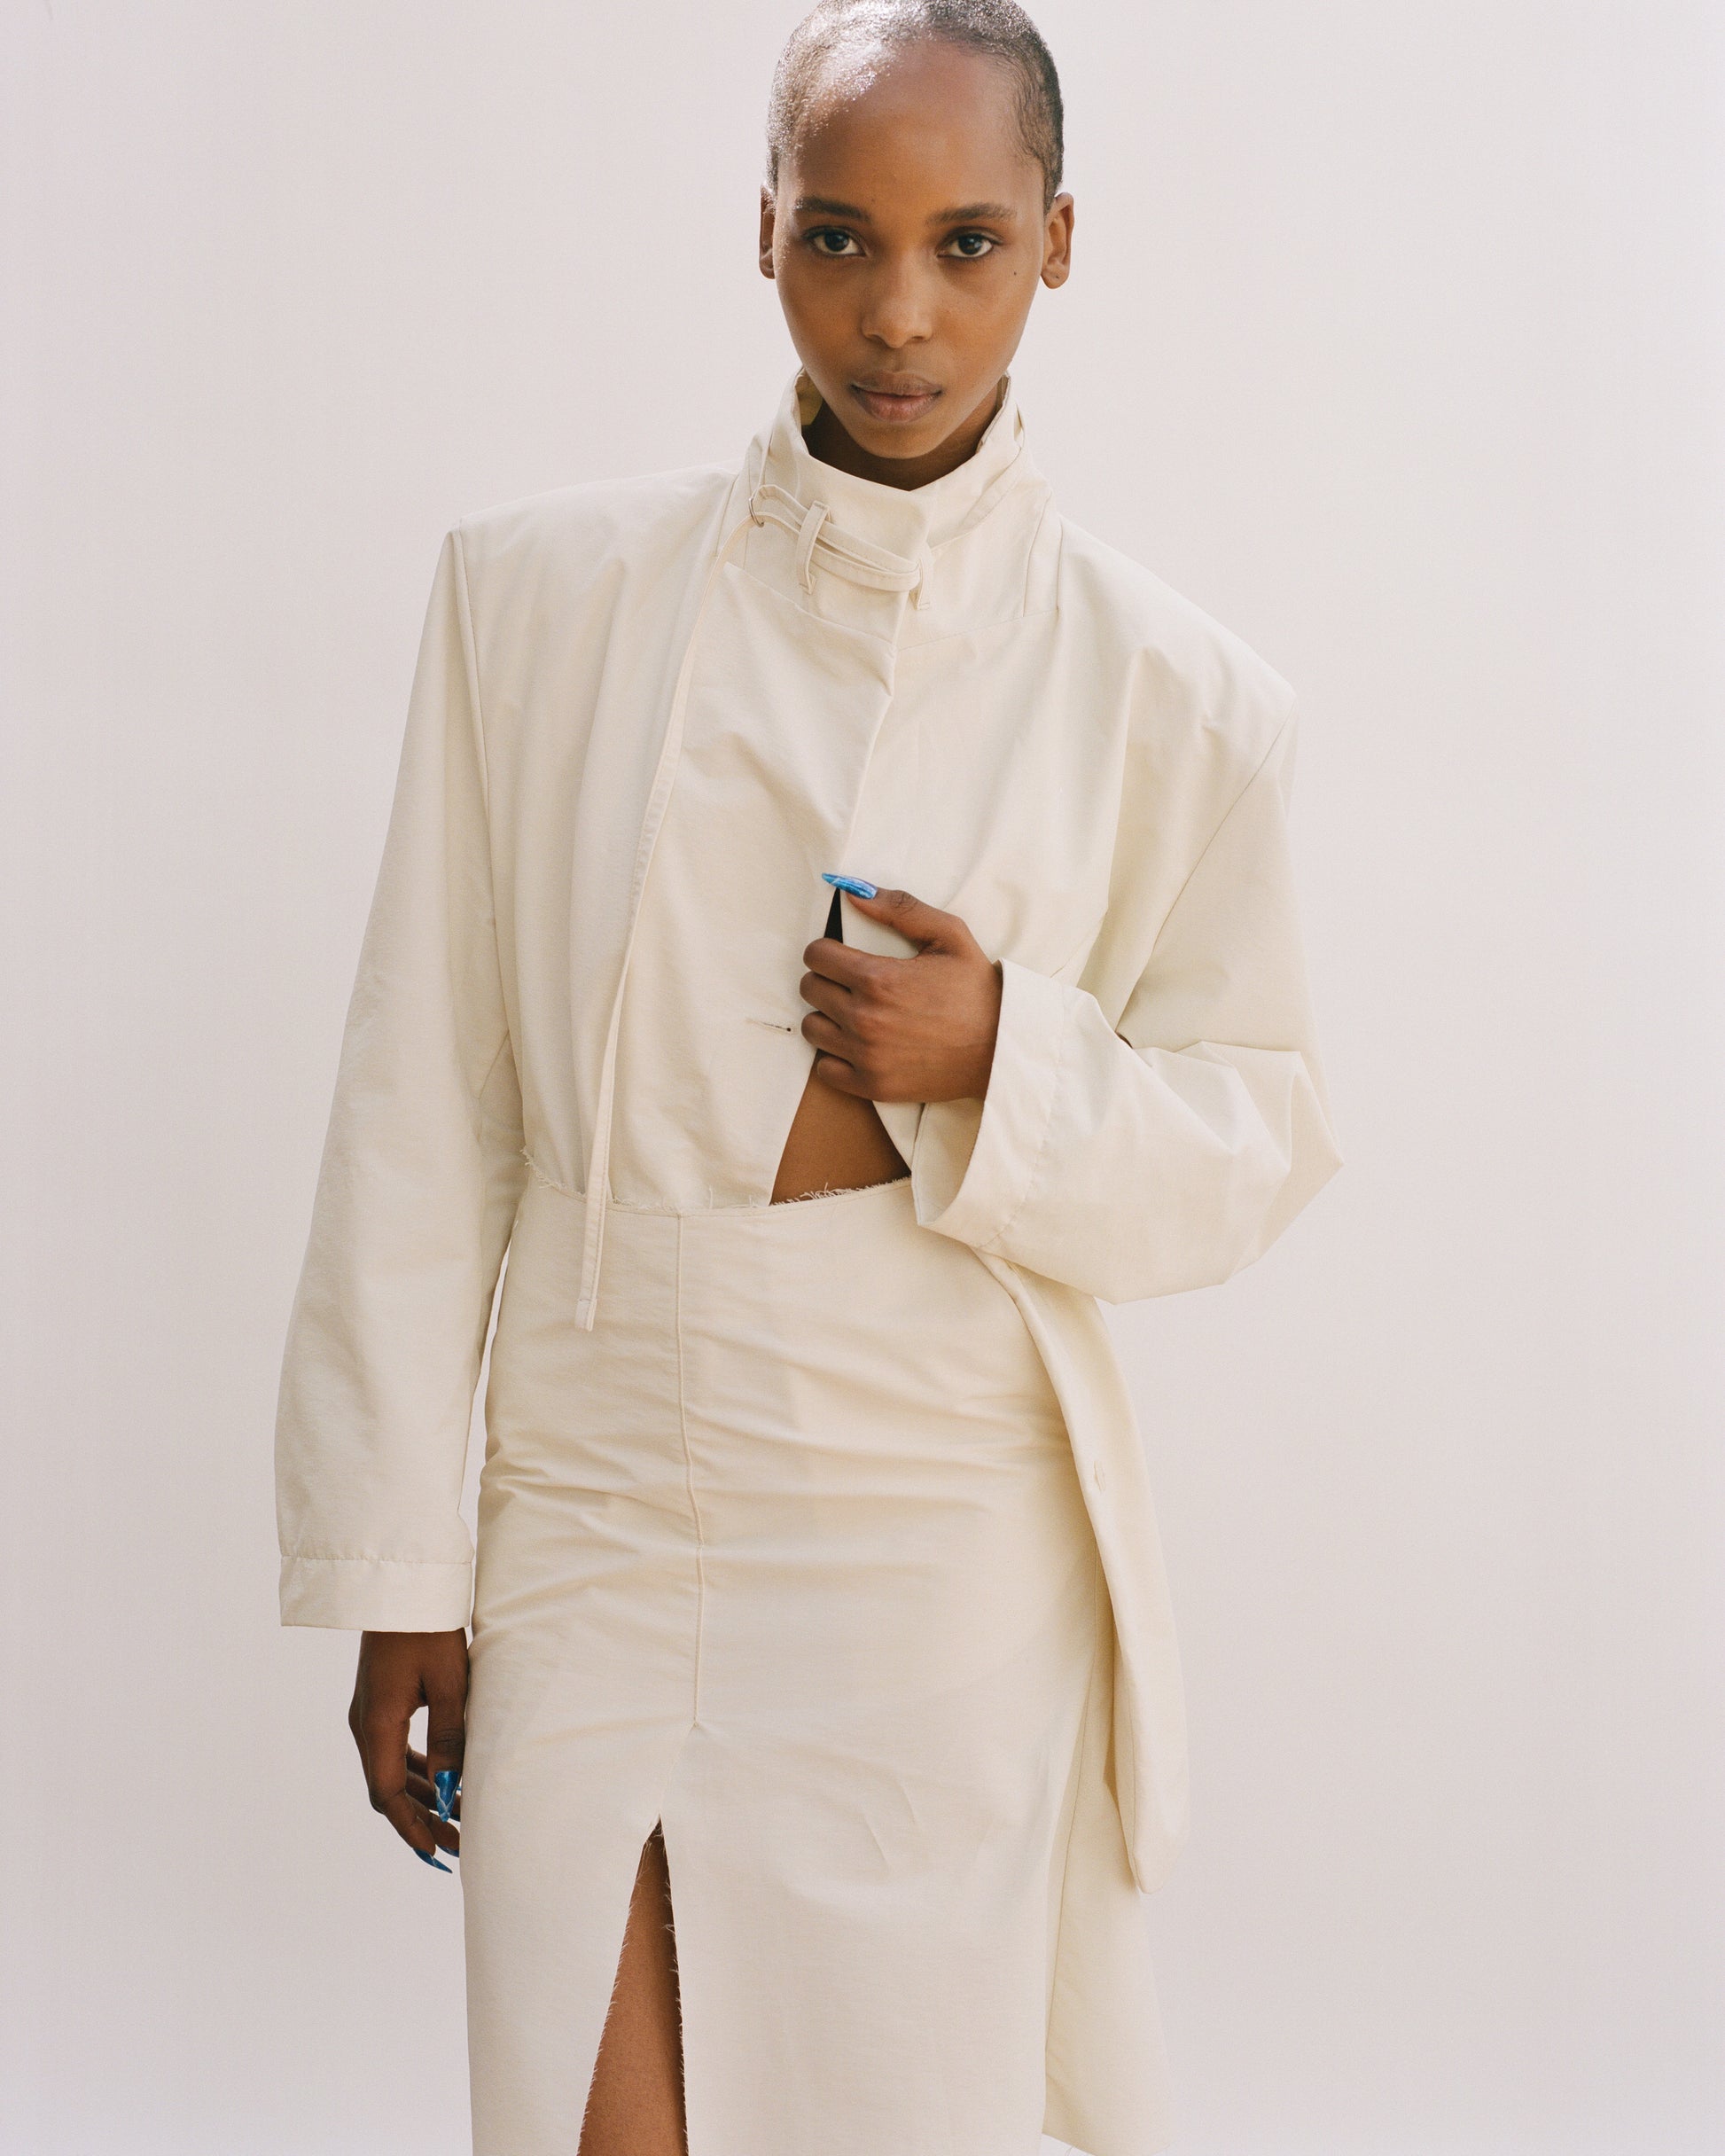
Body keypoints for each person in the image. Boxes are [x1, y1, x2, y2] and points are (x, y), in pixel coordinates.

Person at [274, 3, 1342, 2152]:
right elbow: (425, 1102)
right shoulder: (534, 603)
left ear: (1058, 242)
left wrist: (1005, 1055)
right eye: (840, 237)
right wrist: (397, 1558)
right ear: (761, 229)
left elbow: (1255, 1139)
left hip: (935, 1529)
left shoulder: (1178, 694)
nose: (899, 312)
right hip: (594, 1480)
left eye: (967, 243)